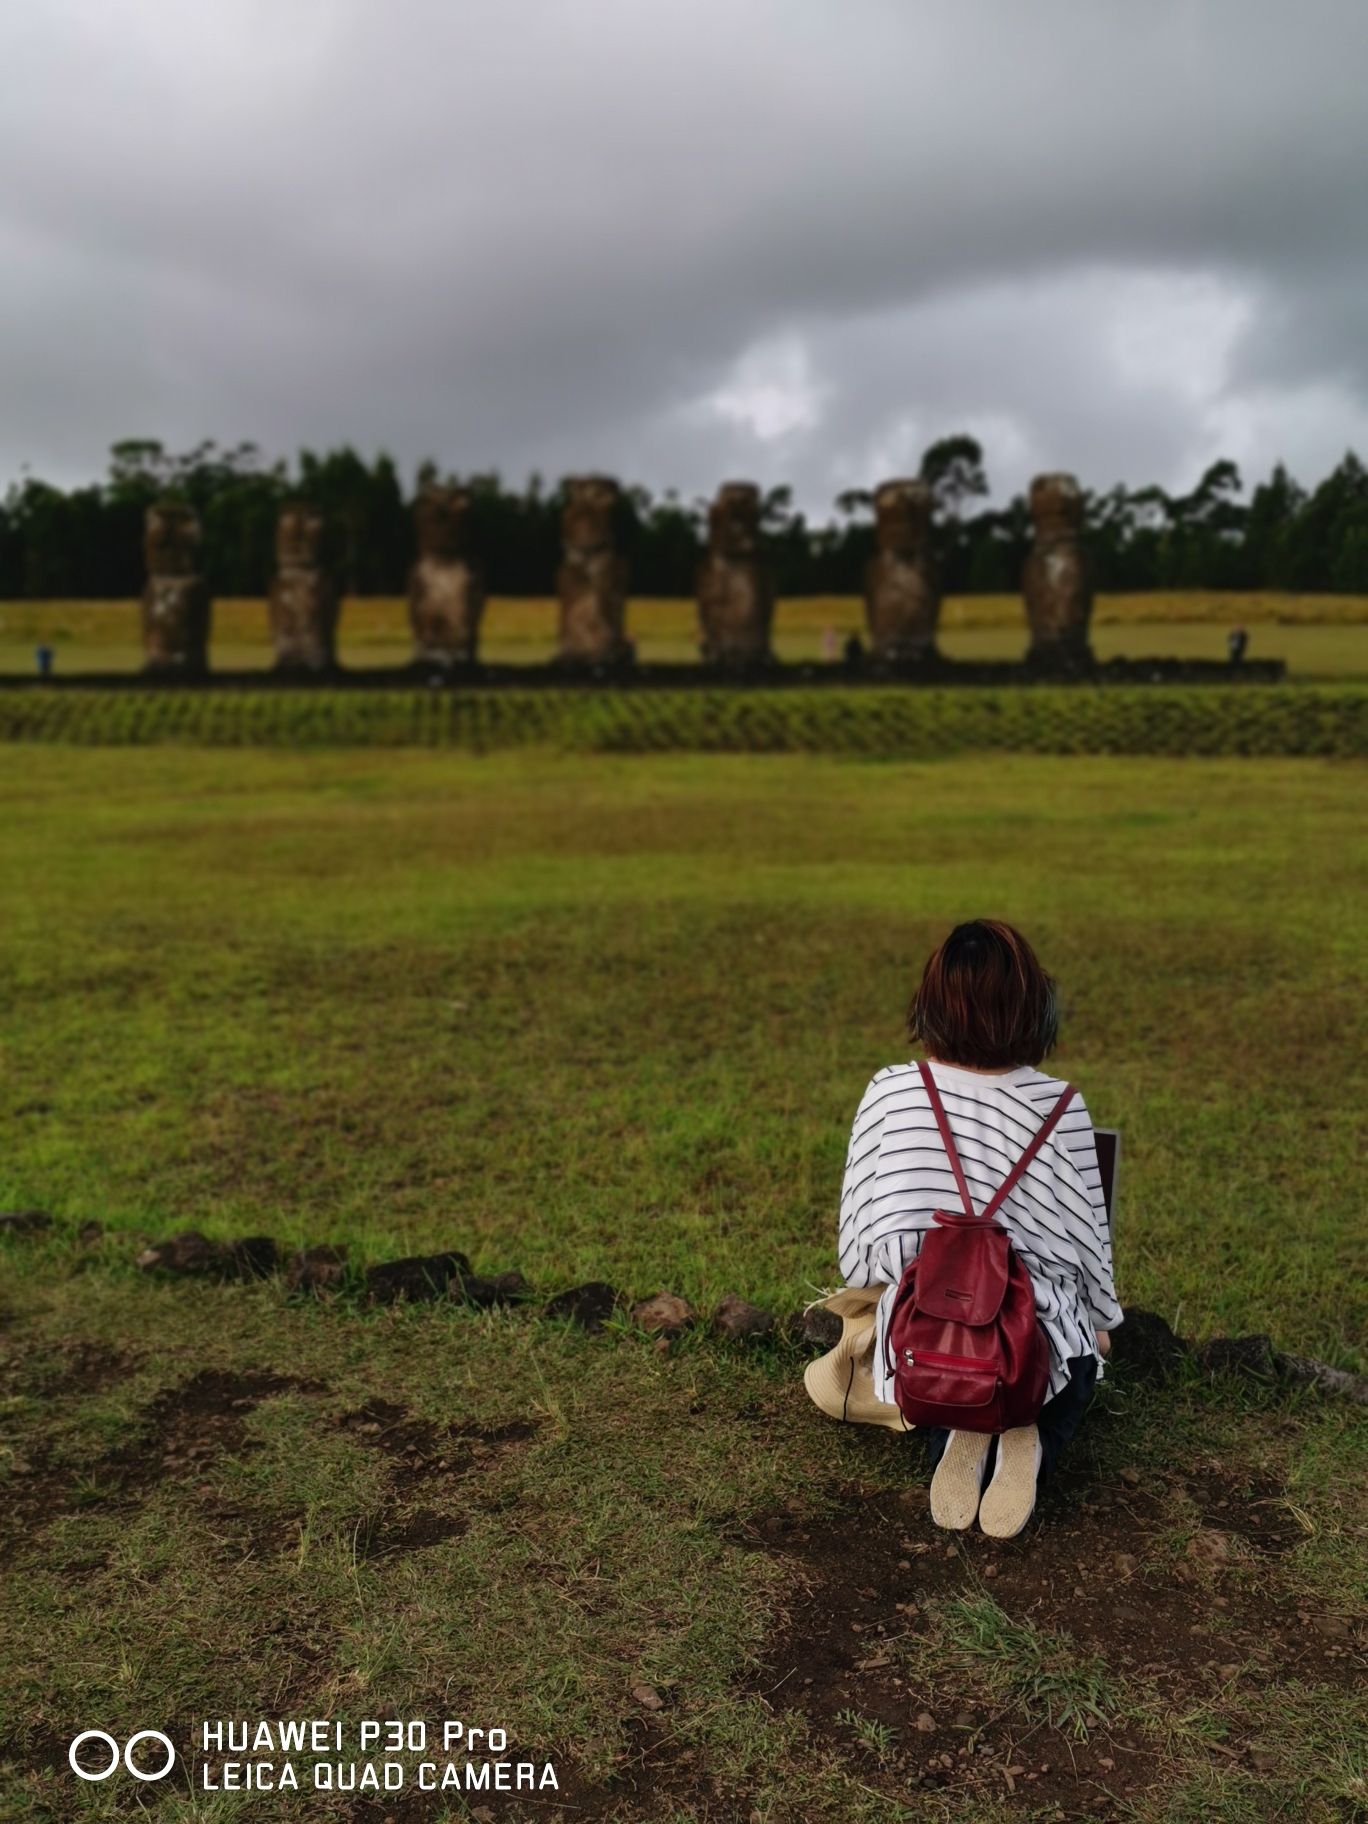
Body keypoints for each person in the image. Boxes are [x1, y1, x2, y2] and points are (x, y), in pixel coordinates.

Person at [833, 919, 1122, 1537]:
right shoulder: (1063, 1105)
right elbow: (1090, 1245)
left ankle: (963, 1425)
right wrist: (1102, 1326)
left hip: (928, 1341)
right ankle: (1027, 1423)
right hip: (1037, 1339)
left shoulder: (891, 1090)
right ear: (1032, 1007)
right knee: (1070, 1355)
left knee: (944, 1364)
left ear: (931, 1004)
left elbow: (858, 1254)